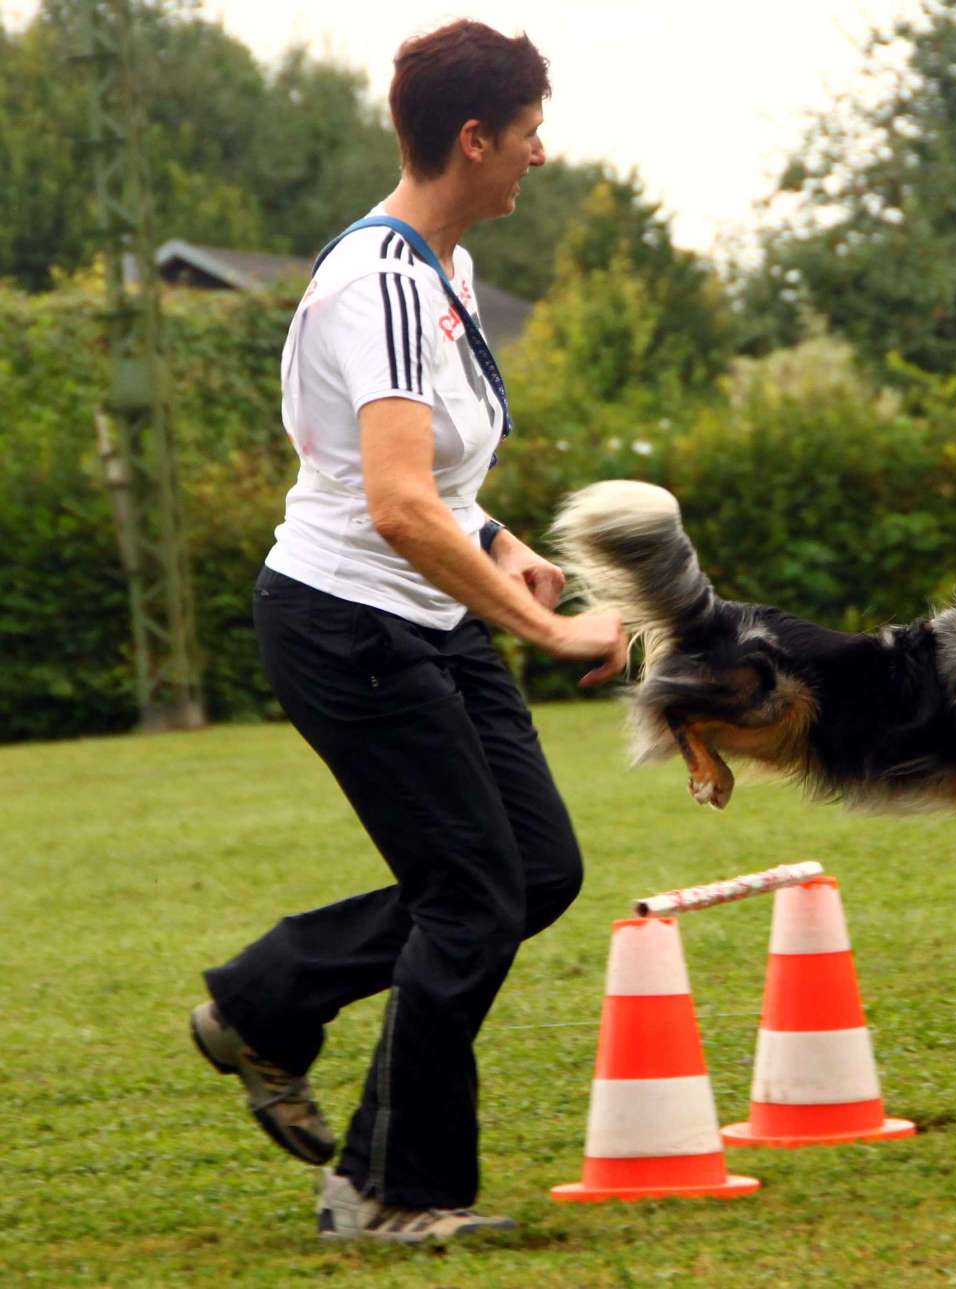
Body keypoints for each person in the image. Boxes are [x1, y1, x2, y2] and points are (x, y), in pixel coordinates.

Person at [188, 20, 626, 1243]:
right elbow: (389, 504)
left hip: (424, 613)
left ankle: (268, 999)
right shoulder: (378, 281)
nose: (541, 154)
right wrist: (540, 630)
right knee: (474, 895)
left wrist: (502, 545)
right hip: (348, 626)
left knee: (533, 872)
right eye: (530, 133)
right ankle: (389, 1189)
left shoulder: (446, 273)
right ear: (473, 137)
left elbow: (437, 489)